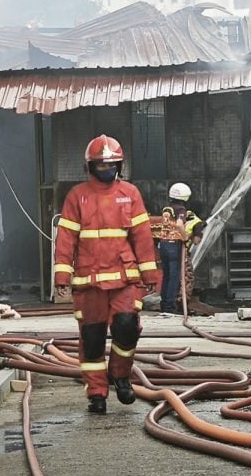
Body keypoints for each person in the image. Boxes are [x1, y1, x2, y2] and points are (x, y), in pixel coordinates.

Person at [53, 135, 161, 414]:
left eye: (111, 165)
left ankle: (120, 374)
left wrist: (149, 273)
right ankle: (97, 393)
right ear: (90, 167)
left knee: (127, 327)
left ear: (119, 166)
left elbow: (142, 236)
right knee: (92, 339)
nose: (106, 170)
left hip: (124, 278)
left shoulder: (130, 193)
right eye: (101, 165)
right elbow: (65, 238)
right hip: (89, 282)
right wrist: (62, 277)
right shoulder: (77, 196)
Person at [154, 182, 205, 315]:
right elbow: (179, 224)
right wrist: (184, 237)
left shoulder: (167, 208)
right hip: (173, 245)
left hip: (163, 244)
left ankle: (164, 304)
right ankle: (170, 306)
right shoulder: (181, 210)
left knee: (167, 276)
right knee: (175, 276)